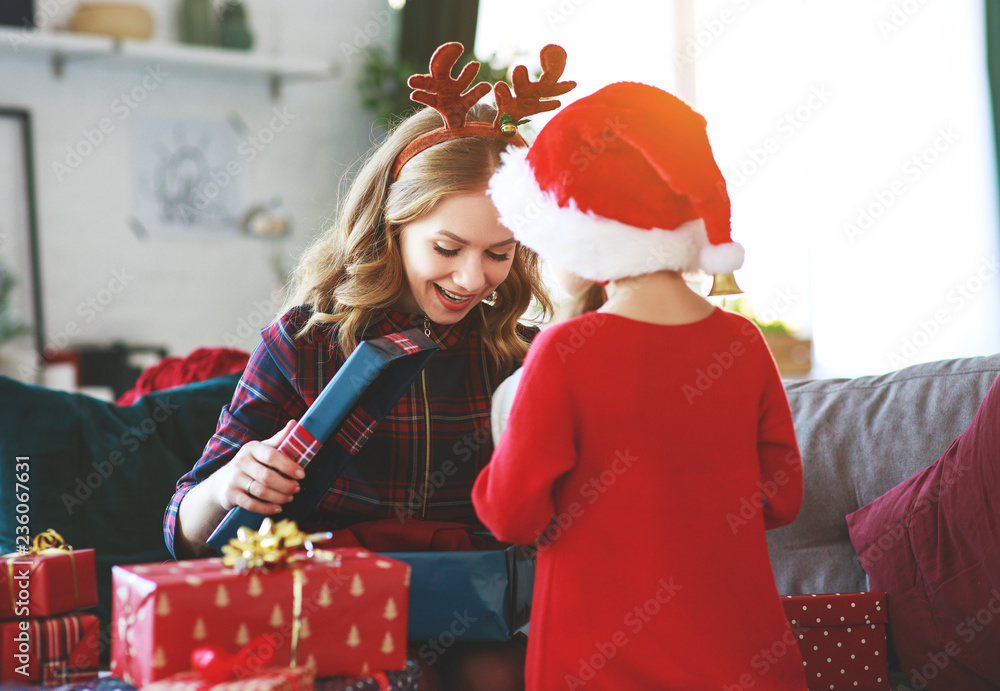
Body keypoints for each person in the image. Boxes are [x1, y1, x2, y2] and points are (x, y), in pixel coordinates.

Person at [163, 43, 571, 691]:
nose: (472, 279)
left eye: (498, 253)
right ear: (392, 222)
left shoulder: (520, 353)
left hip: (473, 611)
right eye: (447, 246)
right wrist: (231, 483)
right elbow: (185, 533)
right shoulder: (305, 342)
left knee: (505, 675)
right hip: (330, 609)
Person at [472, 82, 809, 690]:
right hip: (743, 658)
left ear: (580, 230)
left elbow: (513, 515)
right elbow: (781, 497)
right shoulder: (743, 345)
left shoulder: (564, 353)